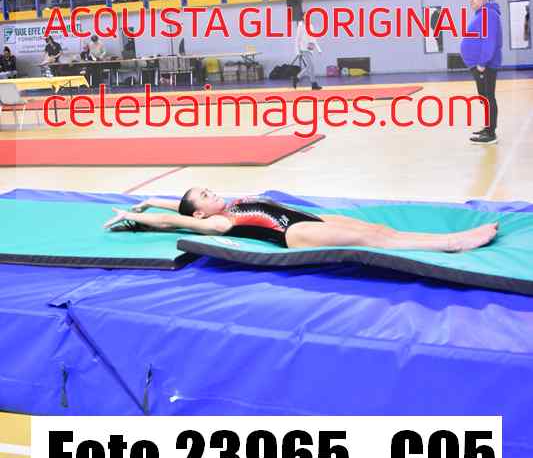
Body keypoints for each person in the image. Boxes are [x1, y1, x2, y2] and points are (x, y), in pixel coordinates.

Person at [103, 188, 498, 253]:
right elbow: (177, 221)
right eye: (205, 196)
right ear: (201, 212)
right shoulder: (216, 223)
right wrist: (138, 217)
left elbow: (180, 207)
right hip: (294, 232)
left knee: (380, 229)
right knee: (373, 241)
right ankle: (453, 244)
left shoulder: (226, 206)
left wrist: (149, 199)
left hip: (305, 217)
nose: (212, 193)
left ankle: (453, 236)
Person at [460, 0, 502, 145]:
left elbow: (489, 40)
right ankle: (488, 127)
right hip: (481, 64)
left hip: (485, 65)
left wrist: (482, 63)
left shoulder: (488, 14)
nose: (471, 0)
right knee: (484, 97)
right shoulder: (481, 14)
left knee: (488, 97)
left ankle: (491, 134)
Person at [293, 18, 322, 90]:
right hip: (304, 49)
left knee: (310, 66)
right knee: (310, 66)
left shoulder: (311, 26)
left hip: (310, 49)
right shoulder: (300, 26)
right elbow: (297, 39)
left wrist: (318, 48)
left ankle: (298, 78)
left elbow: (313, 38)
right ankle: (311, 82)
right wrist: (297, 51)